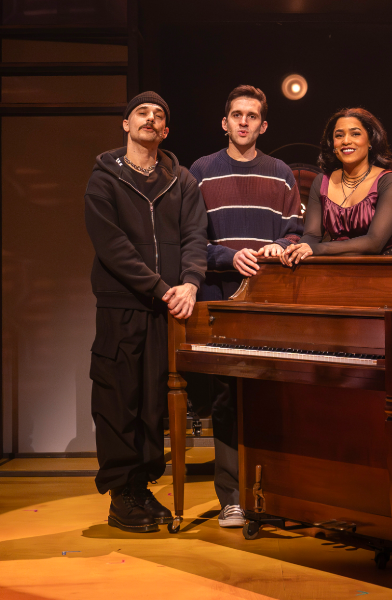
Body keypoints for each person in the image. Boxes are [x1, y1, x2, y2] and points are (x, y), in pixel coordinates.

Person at [85, 91, 208, 532]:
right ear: (126, 124)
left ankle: (140, 488)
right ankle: (122, 495)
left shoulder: (183, 181)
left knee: (154, 403)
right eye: (142, 113)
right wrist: (161, 288)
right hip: (124, 306)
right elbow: (113, 247)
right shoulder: (104, 179)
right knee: (119, 400)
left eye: (159, 115)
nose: (150, 119)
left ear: (166, 131)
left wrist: (190, 282)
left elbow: (196, 234)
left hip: (167, 308)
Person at [188, 85, 303, 528]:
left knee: (273, 394)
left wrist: (277, 246)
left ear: (263, 125)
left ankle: (275, 493)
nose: (243, 122)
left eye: (251, 116)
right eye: (236, 114)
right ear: (224, 122)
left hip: (270, 298)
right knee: (226, 397)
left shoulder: (280, 173)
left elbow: (297, 231)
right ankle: (231, 497)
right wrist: (225, 256)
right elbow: (192, 238)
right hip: (221, 296)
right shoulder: (201, 171)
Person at [281, 108, 392, 266]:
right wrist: (299, 250)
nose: (346, 141)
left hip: (384, 272)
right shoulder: (321, 181)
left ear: (371, 140)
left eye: (355, 134)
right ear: (333, 144)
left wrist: (316, 250)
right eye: (339, 135)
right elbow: (311, 235)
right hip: (337, 272)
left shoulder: (389, 181)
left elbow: (375, 242)